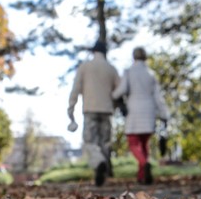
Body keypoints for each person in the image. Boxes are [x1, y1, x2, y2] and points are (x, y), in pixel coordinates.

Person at [112, 47, 169, 184]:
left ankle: (144, 163)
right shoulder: (151, 74)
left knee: (133, 142)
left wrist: (113, 96)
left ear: (134, 57)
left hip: (134, 110)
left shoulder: (129, 72)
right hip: (149, 111)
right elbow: (158, 97)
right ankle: (141, 176)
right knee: (144, 144)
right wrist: (164, 114)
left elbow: (121, 90)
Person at [67, 40, 120, 186]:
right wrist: (115, 101)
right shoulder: (111, 69)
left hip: (90, 109)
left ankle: (99, 162)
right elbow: (120, 90)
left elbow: (75, 89)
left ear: (93, 52)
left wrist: (71, 110)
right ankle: (102, 171)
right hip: (107, 110)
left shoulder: (85, 67)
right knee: (104, 142)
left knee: (90, 142)